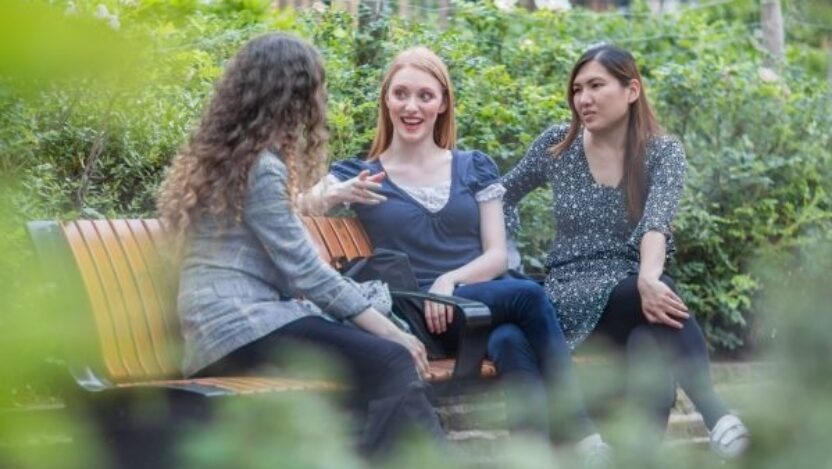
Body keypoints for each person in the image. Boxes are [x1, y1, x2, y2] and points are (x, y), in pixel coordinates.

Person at [299, 46, 608, 458]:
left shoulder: (474, 167)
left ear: (442, 103)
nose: (412, 106)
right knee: (530, 295)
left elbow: (497, 255)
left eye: (425, 96)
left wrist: (452, 280)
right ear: (386, 100)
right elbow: (291, 207)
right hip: (417, 313)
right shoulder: (361, 174)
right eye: (401, 94)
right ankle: (582, 430)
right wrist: (335, 193)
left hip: (474, 306)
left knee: (512, 340)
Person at [156, 33, 444, 457]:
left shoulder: (236, 159)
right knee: (391, 359)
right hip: (240, 328)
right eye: (316, 88)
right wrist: (389, 331)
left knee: (378, 369)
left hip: (233, 327)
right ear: (292, 95)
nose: (320, 99)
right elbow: (305, 269)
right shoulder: (260, 168)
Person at [501, 44, 750, 458]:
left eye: (596, 85)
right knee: (652, 298)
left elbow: (657, 221)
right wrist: (506, 257)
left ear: (631, 90)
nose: (583, 99)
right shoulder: (557, 147)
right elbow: (499, 195)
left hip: (630, 295)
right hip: (565, 296)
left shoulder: (662, 152)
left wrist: (648, 277)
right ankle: (717, 417)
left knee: (649, 337)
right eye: (578, 89)